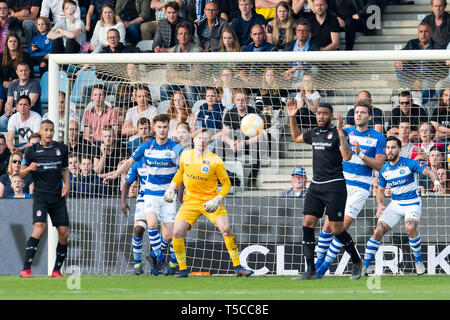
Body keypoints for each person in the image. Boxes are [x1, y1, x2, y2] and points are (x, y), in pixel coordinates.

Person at [163, 127, 254, 278]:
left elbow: (226, 185)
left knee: (226, 229)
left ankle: (237, 266)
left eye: (205, 138)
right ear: (194, 139)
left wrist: (217, 198)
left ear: (209, 141)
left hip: (211, 201)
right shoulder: (185, 155)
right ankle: (183, 269)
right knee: (176, 232)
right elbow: (180, 172)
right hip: (190, 202)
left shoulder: (215, 160)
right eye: (199, 138)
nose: (202, 141)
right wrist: (172, 187)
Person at [287, 99, 362, 280]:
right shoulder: (314, 133)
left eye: (324, 114)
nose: (321, 116)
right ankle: (310, 270)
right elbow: (296, 138)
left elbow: (348, 156)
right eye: (318, 113)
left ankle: (356, 260)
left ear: (330, 116)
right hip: (316, 186)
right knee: (307, 225)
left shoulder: (338, 133)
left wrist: (341, 134)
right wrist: (292, 117)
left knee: (336, 229)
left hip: (335, 186)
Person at [314, 100, 386, 279]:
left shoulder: (378, 137)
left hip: (361, 187)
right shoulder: (345, 132)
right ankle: (315, 265)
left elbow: (378, 165)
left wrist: (361, 154)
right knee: (328, 225)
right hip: (341, 182)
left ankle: (321, 269)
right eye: (356, 112)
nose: (358, 115)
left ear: (369, 116)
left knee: (342, 227)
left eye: (362, 112)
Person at [104, 114, 183, 276]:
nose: (161, 130)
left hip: (168, 195)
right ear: (154, 128)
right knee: (152, 225)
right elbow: (129, 162)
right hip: (150, 193)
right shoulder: (146, 147)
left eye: (165, 127)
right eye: (159, 127)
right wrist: (115, 174)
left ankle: (153, 255)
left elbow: (186, 163)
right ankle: (160, 260)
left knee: (168, 236)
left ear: (169, 128)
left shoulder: (175, 148)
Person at [361, 136, 442, 276]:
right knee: (377, 232)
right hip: (396, 204)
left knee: (410, 227)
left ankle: (418, 261)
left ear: (399, 149)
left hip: (412, 202)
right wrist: (380, 204)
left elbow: (429, 171)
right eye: (388, 148)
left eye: (393, 147)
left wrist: (436, 183)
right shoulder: (384, 169)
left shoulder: (409, 163)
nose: (390, 150)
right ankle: (364, 266)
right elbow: (380, 190)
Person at [19, 120, 70, 278]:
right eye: (46, 130)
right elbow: (20, 174)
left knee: (64, 232)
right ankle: (26, 269)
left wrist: (67, 185)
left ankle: (56, 270)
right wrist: (28, 168)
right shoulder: (31, 150)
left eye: (51, 130)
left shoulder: (61, 149)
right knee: (39, 228)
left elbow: (64, 169)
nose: (49, 133)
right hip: (41, 196)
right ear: (40, 131)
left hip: (57, 197)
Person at [394, 22, 447, 105]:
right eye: (421, 31)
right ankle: (406, 88)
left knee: (426, 84)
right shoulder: (412, 43)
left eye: (426, 31)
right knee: (398, 62)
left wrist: (419, 79)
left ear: (431, 33)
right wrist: (399, 59)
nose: (423, 34)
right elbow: (401, 53)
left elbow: (442, 70)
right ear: (418, 33)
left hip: (430, 78)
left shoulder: (439, 47)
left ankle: (425, 109)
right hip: (413, 77)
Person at [222, 88, 263, 189]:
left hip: (249, 143)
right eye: (238, 99)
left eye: (243, 100)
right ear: (234, 100)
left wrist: (244, 143)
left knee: (256, 146)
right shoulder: (230, 114)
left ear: (248, 100)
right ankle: (227, 176)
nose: (240, 102)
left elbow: (260, 136)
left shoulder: (254, 113)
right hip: (235, 145)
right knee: (221, 145)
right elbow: (224, 135)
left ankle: (252, 179)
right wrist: (231, 143)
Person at [282, 19, 321, 84]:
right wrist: (286, 73)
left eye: (304, 31)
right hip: (291, 80)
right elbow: (284, 64)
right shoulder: (289, 46)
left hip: (307, 82)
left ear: (309, 33)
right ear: (296, 32)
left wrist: (296, 68)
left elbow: (314, 63)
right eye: (299, 30)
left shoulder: (314, 46)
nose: (301, 33)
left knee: (315, 69)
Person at [0, 33, 32, 110]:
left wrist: (19, 80)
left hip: (20, 84)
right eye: (10, 41)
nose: (12, 43)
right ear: (7, 43)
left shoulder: (25, 56)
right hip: (4, 85)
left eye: (15, 41)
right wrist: (3, 82)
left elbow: (30, 73)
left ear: (18, 43)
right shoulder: (0, 57)